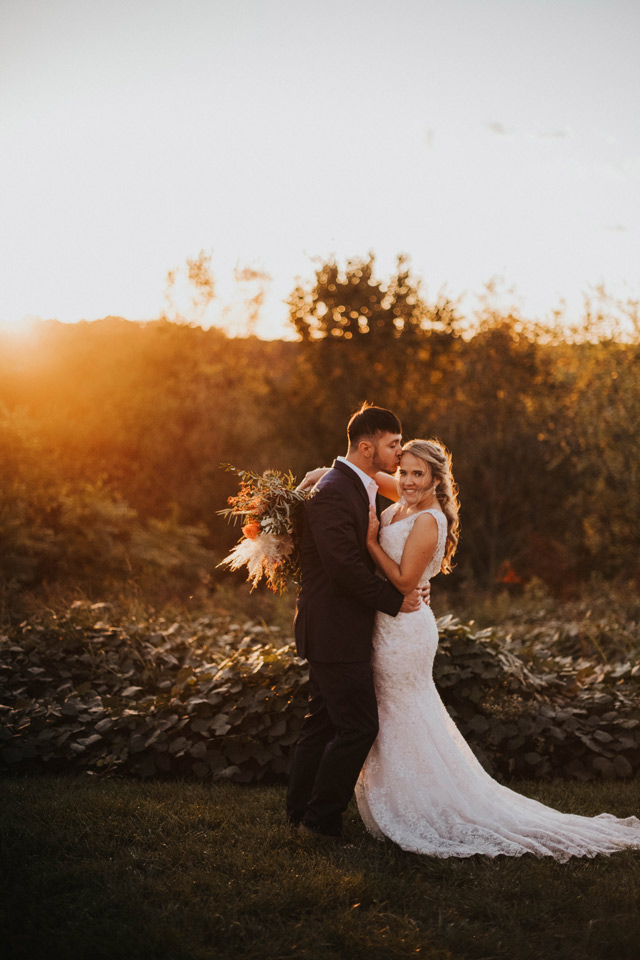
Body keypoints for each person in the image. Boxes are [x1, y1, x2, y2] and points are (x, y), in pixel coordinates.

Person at [351, 436, 640, 859]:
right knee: (397, 713)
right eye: (404, 471)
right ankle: (408, 797)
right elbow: (364, 476)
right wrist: (324, 475)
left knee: (403, 713)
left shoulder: (428, 519)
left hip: (405, 632)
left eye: (418, 474)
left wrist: (372, 540)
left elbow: (403, 583)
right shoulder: (405, 498)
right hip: (386, 626)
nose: (408, 481)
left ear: (435, 480)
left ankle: (427, 806)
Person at [286, 405, 429, 840]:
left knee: (322, 722)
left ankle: (300, 813)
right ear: (366, 448)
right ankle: (319, 820)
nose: (398, 450)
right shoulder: (334, 490)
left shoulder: (357, 482)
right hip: (334, 629)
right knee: (359, 726)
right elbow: (343, 568)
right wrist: (395, 599)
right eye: (391, 444)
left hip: (337, 626)